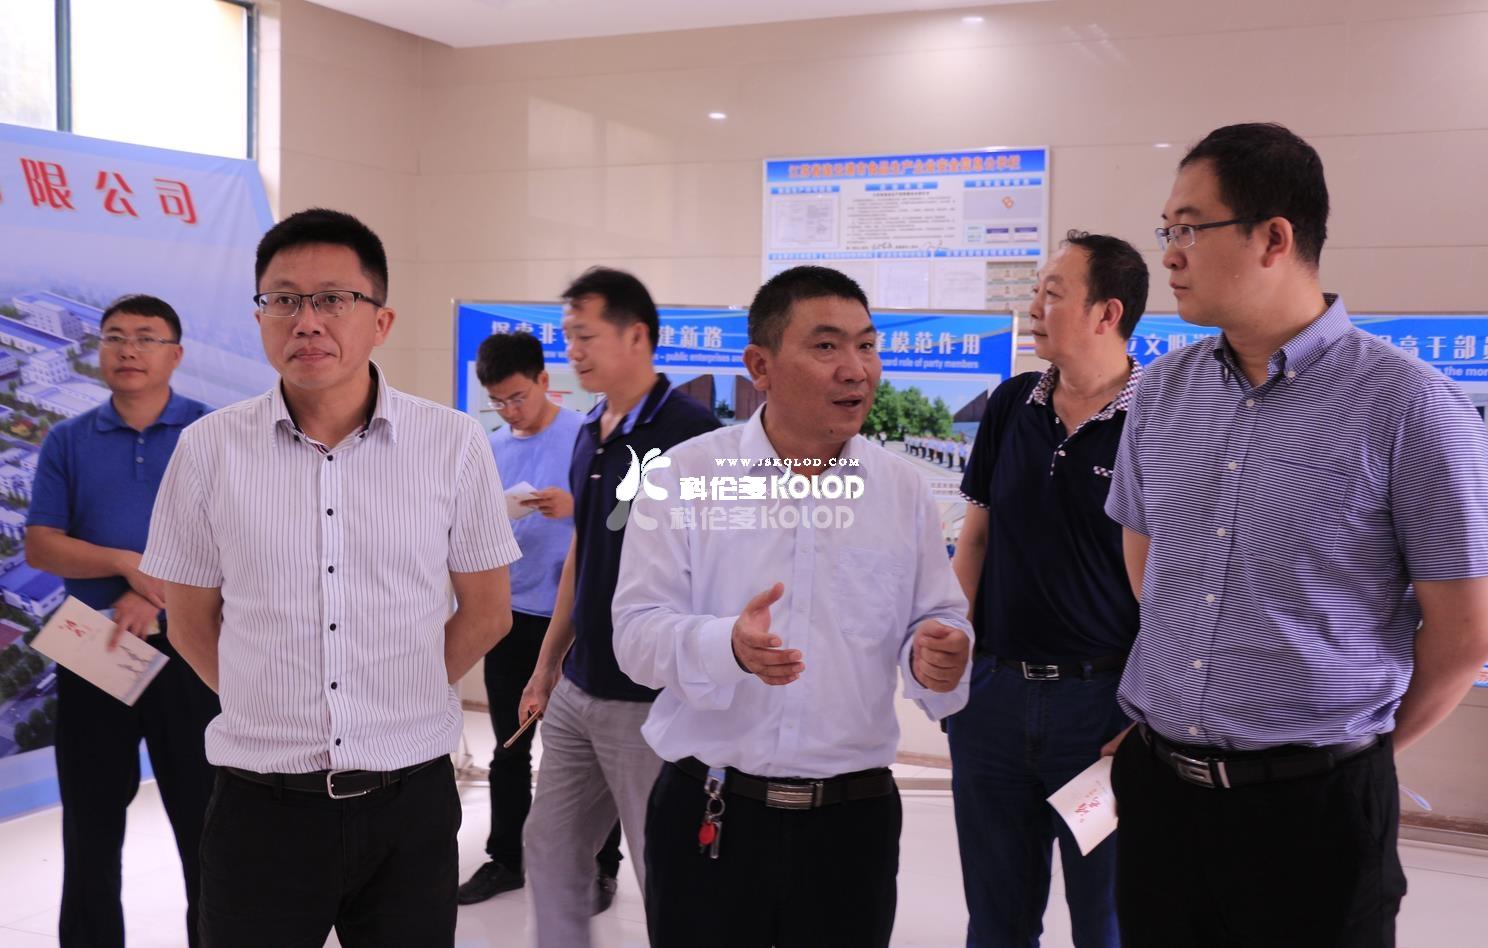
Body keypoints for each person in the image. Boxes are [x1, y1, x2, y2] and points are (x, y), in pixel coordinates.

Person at [1105, 122, 1488, 946]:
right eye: (1165, 230)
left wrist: (1352, 755)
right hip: (1162, 796)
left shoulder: (1409, 406)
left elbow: (1463, 636)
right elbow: (1149, 567)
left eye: (1188, 229)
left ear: (1274, 238)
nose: (1168, 255)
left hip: (1316, 813)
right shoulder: (1161, 393)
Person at [140, 208, 520, 947]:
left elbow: (486, 612)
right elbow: (187, 620)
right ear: (260, 317)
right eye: (283, 299)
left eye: (333, 299)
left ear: (381, 321)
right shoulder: (208, 449)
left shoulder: (452, 444)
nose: (306, 321)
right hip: (260, 808)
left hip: (409, 803)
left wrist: (396, 695)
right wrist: (269, 699)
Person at [612, 265, 974, 948]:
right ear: (761, 366)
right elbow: (635, 636)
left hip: (852, 823)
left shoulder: (900, 491)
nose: (855, 369)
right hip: (710, 811)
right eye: (827, 346)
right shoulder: (685, 477)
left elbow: (936, 621)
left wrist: (941, 654)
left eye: (867, 346)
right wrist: (727, 646)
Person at [948, 232, 1148, 947]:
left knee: (1107, 921)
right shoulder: (1011, 405)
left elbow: (1180, 584)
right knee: (996, 921)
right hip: (993, 704)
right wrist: (955, 658)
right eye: (1036, 291)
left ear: (1107, 313)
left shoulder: (1157, 418)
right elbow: (976, 539)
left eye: (1052, 293)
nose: (1033, 307)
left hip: (1104, 713)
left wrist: (1146, 717)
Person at [518, 267, 719, 947]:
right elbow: (584, 550)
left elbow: (718, 565)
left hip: (650, 700)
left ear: (637, 337)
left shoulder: (693, 436)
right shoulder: (590, 431)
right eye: (567, 337)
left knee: (666, 870)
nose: (572, 351)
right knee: (549, 847)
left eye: (585, 335)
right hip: (580, 689)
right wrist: (548, 664)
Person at [24, 294, 219, 948]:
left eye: (145, 337)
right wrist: (123, 563)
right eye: (114, 337)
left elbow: (236, 543)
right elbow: (41, 546)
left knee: (205, 821)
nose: (128, 350)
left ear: (176, 354)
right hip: (95, 645)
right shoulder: (68, 439)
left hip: (192, 648)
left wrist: (155, 594)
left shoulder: (211, 433)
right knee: (90, 824)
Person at [457, 331, 625, 908]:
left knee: (589, 751)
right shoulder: (490, 447)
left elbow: (627, 516)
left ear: (545, 382)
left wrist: (576, 506)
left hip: (578, 620)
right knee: (510, 746)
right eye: (498, 402)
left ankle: (601, 867)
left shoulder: (587, 437)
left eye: (518, 397)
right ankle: (507, 859)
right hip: (509, 614)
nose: (510, 411)